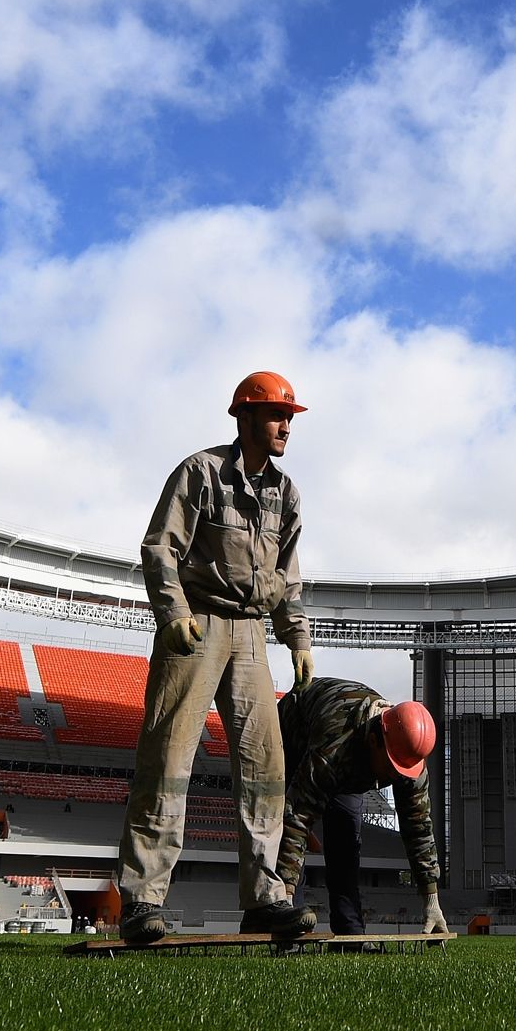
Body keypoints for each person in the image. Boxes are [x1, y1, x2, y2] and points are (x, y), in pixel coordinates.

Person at [117, 371, 317, 944]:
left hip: (252, 633)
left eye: (290, 417)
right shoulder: (200, 472)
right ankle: (142, 900)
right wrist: (172, 610)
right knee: (169, 754)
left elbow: (289, 576)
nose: (286, 426)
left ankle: (264, 897)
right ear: (244, 417)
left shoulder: (288, 493)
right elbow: (161, 546)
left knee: (265, 764)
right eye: (277, 416)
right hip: (198, 623)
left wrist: (297, 638)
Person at [274, 676, 446, 942]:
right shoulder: (334, 747)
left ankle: (349, 930)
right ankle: (287, 915)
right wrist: (285, 895)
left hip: (348, 761)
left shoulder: (409, 757)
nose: (393, 777)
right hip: (290, 737)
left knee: (346, 841)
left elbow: (419, 828)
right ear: (375, 740)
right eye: (390, 766)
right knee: (287, 827)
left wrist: (431, 900)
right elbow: (296, 816)